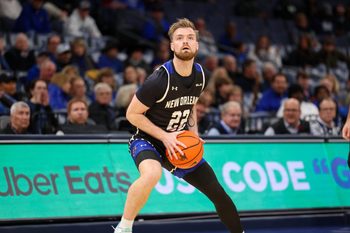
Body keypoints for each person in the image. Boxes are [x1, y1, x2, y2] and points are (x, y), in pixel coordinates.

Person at [113, 18, 244, 233]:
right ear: (172, 46)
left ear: (197, 45)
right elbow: (132, 114)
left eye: (190, 38)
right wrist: (164, 136)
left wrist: (193, 132)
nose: (185, 42)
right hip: (148, 140)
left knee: (218, 193)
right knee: (152, 174)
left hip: (179, 144)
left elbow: (190, 101)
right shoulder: (158, 80)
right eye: (179, 38)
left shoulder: (201, 75)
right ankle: (124, 228)